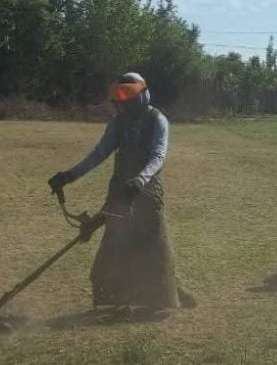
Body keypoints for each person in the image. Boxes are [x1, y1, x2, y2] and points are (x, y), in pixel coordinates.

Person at [48, 72, 195, 310]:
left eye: (127, 95)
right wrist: (68, 176)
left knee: (153, 246)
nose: (122, 101)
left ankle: (168, 291)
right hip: (120, 190)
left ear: (142, 94)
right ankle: (115, 299)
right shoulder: (118, 123)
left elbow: (158, 156)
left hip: (148, 191)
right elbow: (99, 154)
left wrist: (140, 180)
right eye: (119, 96)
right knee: (114, 246)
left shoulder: (157, 120)